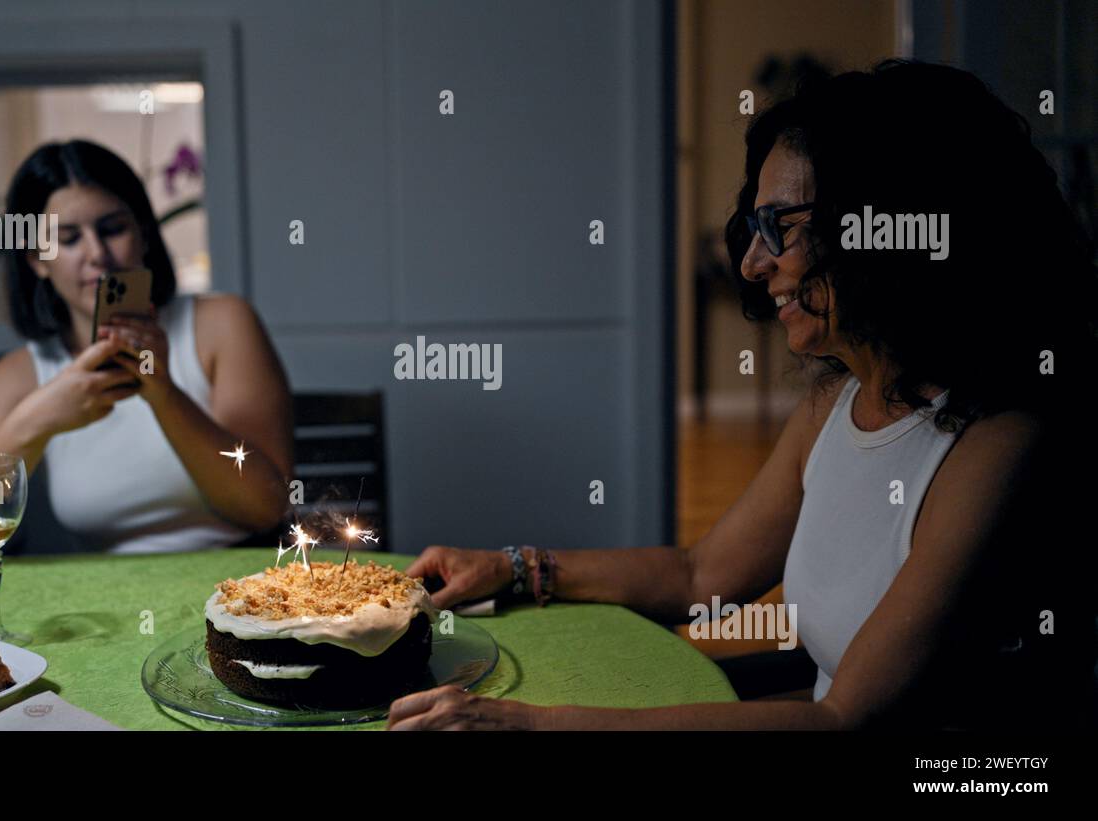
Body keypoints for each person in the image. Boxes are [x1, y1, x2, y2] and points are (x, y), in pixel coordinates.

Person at [388, 60, 1098, 730]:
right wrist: (513, 566)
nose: (754, 265)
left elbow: (838, 720)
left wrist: (536, 725)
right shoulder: (837, 403)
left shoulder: (998, 445)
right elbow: (703, 576)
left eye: (778, 228)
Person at [0, 140, 293, 558]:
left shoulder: (223, 323)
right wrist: (37, 420)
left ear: (144, 237)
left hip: (241, 588)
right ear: (37, 260)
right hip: (114, 600)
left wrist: (166, 396)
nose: (98, 255)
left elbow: (266, 508)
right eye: (69, 238)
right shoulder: (21, 373)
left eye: (113, 229)